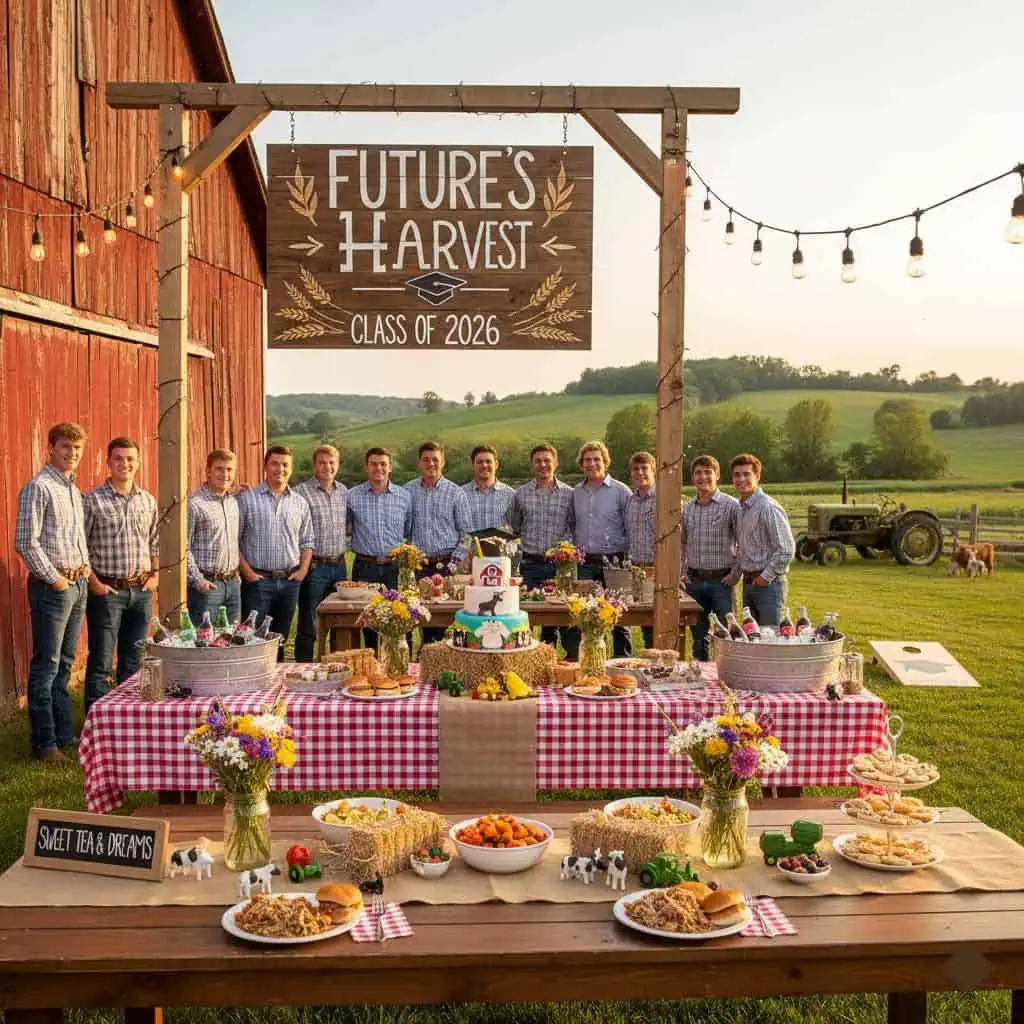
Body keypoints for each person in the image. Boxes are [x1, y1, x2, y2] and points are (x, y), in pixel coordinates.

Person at [15, 422, 91, 761]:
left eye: (76, 448)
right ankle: (44, 743)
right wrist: (55, 579)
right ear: (51, 448)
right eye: (65, 447)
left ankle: (63, 735)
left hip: (77, 584)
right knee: (47, 663)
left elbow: (77, 537)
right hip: (53, 586)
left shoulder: (74, 491)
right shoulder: (39, 487)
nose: (71, 453)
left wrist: (85, 566)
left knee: (66, 664)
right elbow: (25, 542)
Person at [82, 437, 160, 712]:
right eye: (118, 458)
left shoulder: (147, 500)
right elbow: (82, 547)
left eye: (130, 459)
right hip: (108, 591)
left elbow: (154, 541)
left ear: (137, 462)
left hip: (140, 591)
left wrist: (155, 575)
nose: (124, 464)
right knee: (101, 660)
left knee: (134, 657)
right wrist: (94, 584)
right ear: (108, 462)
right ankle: (97, 718)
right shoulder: (92, 501)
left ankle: (128, 715)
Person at [238, 445, 314, 660]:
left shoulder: (300, 503)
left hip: (290, 582)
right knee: (253, 640)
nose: (279, 469)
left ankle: (276, 684)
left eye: (285, 465)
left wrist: (302, 571)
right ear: (265, 466)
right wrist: (248, 574)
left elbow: (308, 540)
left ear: (291, 469)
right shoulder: (248, 499)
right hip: (258, 582)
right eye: (274, 463)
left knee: (280, 639)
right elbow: (235, 542)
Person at [565, 440, 632, 659]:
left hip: (614, 561)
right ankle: (577, 659)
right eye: (587, 460)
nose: (592, 464)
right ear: (581, 464)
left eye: (596, 459)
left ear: (605, 461)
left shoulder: (621, 491)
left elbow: (630, 525)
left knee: (618, 613)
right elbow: (572, 524)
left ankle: (622, 659)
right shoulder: (576, 493)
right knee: (581, 611)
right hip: (584, 562)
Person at [509, 443, 575, 649]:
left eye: (547, 460)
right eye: (538, 461)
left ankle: (570, 661)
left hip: (561, 567)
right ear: (532, 465)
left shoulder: (569, 494)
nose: (543, 465)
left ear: (555, 463)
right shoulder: (520, 494)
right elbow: (515, 526)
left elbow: (574, 526)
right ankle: (538, 661)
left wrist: (565, 551)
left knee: (565, 618)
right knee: (530, 618)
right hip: (531, 565)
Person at [406, 441, 472, 643]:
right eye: (426, 459)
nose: (431, 463)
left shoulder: (456, 493)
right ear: (419, 463)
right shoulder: (407, 491)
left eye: (435, 459)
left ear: (443, 462)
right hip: (418, 566)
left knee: (441, 622)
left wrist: (455, 562)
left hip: (446, 566)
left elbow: (467, 534)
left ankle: (433, 657)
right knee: (413, 617)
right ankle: (416, 662)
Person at [346, 447, 412, 646]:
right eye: (374, 464)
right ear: (367, 467)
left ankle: (402, 665)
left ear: (390, 467)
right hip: (366, 567)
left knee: (401, 619)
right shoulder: (353, 496)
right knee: (369, 621)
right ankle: (372, 663)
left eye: (383, 464)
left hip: (396, 567)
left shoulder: (404, 496)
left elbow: (407, 530)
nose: (378, 468)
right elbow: (347, 526)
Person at [681, 454, 740, 660]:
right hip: (694, 581)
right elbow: (681, 543)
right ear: (692, 477)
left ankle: (728, 674)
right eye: (698, 473)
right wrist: (682, 573)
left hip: (722, 581)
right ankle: (700, 677)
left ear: (717, 475)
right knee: (698, 636)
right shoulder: (687, 509)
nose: (703, 477)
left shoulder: (731, 506)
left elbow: (743, 542)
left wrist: (735, 573)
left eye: (708, 472)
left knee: (727, 634)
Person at [293, 444, 348, 662]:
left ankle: (337, 667)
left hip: (340, 566)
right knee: (309, 623)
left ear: (338, 465)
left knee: (339, 622)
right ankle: (304, 667)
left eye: (332, 462)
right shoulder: (300, 493)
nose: (328, 467)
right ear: (314, 465)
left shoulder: (344, 492)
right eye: (322, 462)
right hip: (314, 567)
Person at [728, 452, 795, 627]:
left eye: (746, 474)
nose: (741, 479)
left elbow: (786, 549)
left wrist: (765, 577)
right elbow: (743, 548)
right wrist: (736, 576)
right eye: (737, 475)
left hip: (769, 586)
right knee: (753, 637)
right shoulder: (741, 508)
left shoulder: (768, 507)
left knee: (771, 638)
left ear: (757, 476)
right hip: (749, 584)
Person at [186, 448, 241, 626]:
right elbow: (183, 548)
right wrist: (198, 580)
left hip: (232, 584)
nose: (225, 474)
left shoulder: (232, 502)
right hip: (207, 586)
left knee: (232, 640)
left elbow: (233, 542)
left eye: (229, 469)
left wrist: (236, 574)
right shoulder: (194, 505)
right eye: (219, 469)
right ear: (208, 471)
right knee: (204, 644)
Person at [625, 451, 657, 650]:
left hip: (659, 567)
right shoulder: (630, 501)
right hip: (637, 568)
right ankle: (649, 662)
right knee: (645, 621)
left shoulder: (666, 499)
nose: (640, 472)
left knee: (661, 621)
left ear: (654, 470)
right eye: (636, 469)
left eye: (644, 468)